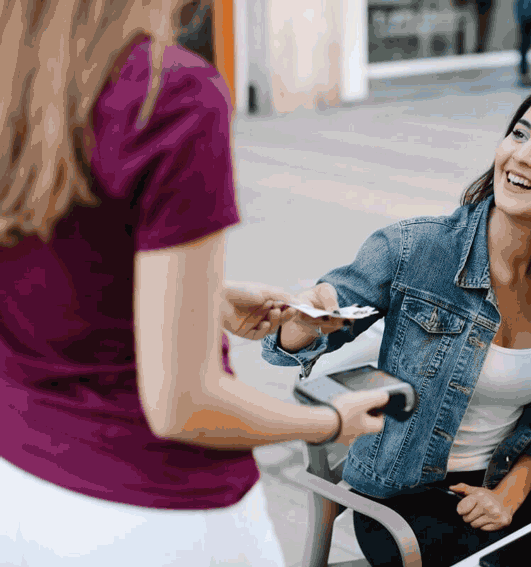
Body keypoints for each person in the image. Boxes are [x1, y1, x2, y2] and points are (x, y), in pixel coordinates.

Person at [0, 1, 388, 565]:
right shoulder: (171, 92)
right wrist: (329, 422)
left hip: (21, 488)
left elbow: (58, 279)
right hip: (158, 514)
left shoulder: (18, 76)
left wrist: (203, 299)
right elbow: (184, 403)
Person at [263, 83, 531, 566]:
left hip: (508, 487)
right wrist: (305, 317)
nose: (521, 156)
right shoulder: (415, 249)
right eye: (518, 134)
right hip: (405, 503)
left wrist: (509, 495)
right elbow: (293, 338)